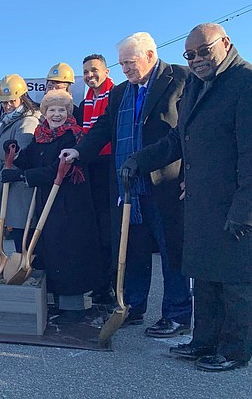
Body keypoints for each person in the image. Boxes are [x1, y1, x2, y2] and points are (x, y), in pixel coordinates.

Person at [124, 23, 252, 372]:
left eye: (204, 51)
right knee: (205, 277)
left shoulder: (245, 83)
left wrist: (245, 209)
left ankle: (235, 349)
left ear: (225, 43)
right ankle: (204, 341)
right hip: (201, 200)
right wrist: (139, 160)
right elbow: (176, 141)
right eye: (189, 55)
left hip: (234, 203)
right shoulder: (197, 86)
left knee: (235, 282)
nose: (196, 60)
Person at [60, 32, 193, 337]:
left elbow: (187, 133)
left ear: (149, 55)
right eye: (121, 64)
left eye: (130, 62)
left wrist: (190, 174)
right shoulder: (121, 93)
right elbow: (104, 128)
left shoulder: (180, 79)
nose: (126, 70)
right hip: (128, 184)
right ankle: (133, 305)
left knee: (172, 250)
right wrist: (79, 151)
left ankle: (177, 314)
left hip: (165, 181)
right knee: (132, 248)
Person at [2, 90, 102, 323]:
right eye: (51, 110)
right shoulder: (41, 135)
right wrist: (13, 153)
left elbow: (58, 170)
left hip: (70, 205)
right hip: (48, 203)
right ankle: (57, 303)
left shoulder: (73, 137)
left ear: (68, 113)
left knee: (68, 254)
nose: (56, 114)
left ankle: (73, 308)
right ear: (44, 113)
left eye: (61, 110)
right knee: (51, 252)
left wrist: (21, 177)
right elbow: (28, 159)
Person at [0, 74, 42, 253]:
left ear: (22, 98)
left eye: (12, 101)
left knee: (23, 239)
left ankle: (28, 274)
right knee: (18, 238)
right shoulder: (9, 121)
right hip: (10, 188)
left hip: (20, 191)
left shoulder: (27, 123)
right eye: (4, 102)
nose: (7, 105)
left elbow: (17, 159)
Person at [80, 55, 115, 304]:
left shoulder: (115, 94)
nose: (90, 75)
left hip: (110, 164)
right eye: (86, 72)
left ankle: (112, 286)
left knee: (109, 229)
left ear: (105, 70)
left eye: (94, 70)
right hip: (91, 164)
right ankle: (100, 285)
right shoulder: (86, 101)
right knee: (95, 229)